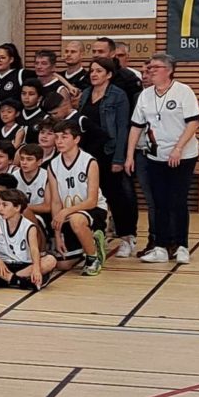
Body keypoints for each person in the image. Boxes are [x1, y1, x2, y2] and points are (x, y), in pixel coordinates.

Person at [127, 53, 199, 265]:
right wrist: (129, 155)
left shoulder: (183, 91)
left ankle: (181, 245)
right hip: (155, 155)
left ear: (168, 70)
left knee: (177, 200)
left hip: (182, 156)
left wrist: (178, 148)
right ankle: (160, 246)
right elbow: (136, 126)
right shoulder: (145, 95)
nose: (149, 71)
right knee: (158, 201)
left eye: (155, 68)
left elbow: (193, 122)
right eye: (149, 68)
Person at [77, 56, 138, 257]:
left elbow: (122, 128)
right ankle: (96, 236)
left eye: (99, 71)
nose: (94, 74)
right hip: (87, 154)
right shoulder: (86, 93)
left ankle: (127, 237)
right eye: (92, 71)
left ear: (109, 74)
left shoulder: (118, 95)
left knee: (117, 197)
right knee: (92, 196)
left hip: (109, 152)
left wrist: (119, 159)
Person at [48, 120, 109, 276]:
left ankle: (93, 258)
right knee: (63, 265)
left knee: (77, 220)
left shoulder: (89, 162)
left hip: (94, 210)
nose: (59, 141)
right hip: (69, 214)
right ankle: (89, 242)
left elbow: (92, 201)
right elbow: (56, 201)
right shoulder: (53, 165)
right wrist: (57, 235)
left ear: (76, 139)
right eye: (57, 137)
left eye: (64, 137)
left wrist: (66, 211)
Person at [0, 189, 56, 290]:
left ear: (17, 207)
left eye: (4, 205)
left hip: (24, 265)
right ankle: (19, 281)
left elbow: (34, 250)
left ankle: (4, 279)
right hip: (3, 264)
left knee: (51, 260)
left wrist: (36, 268)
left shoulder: (29, 226)